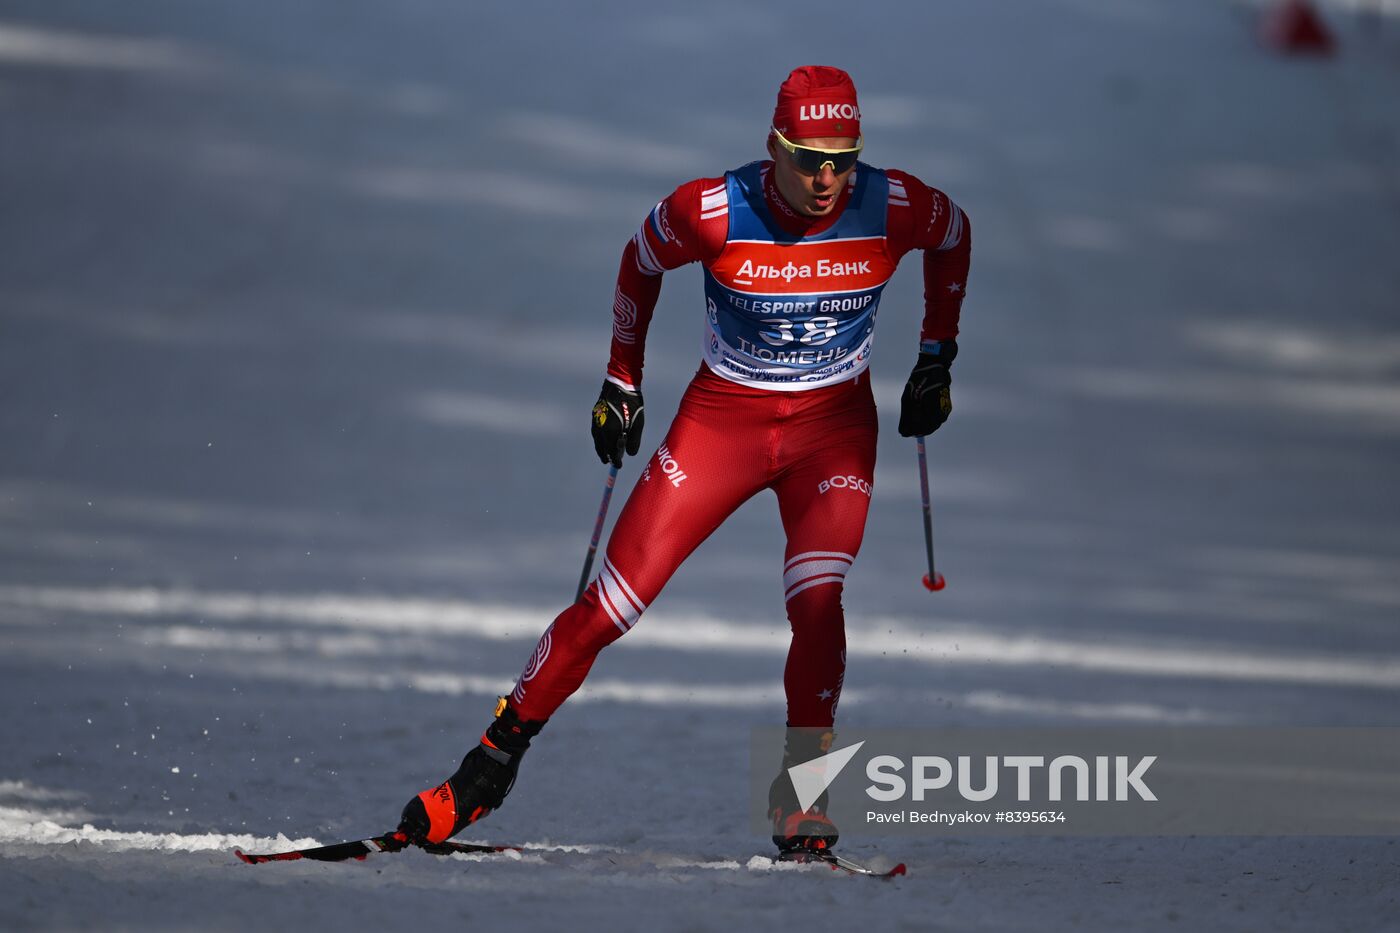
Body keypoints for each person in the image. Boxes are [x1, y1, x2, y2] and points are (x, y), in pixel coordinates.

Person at [398, 65, 970, 855]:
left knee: (817, 599)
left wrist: (937, 355)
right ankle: (484, 771)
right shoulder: (709, 210)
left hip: (832, 428)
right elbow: (639, 262)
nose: (828, 177)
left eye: (844, 157)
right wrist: (620, 380)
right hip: (722, 424)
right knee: (610, 608)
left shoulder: (894, 203)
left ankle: (802, 799)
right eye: (808, 157)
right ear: (774, 147)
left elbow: (954, 236)